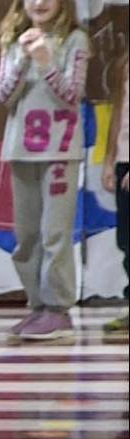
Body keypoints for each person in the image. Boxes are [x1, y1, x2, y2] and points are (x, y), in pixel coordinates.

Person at [0, 0, 88, 342]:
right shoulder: (12, 40)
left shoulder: (75, 40)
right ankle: (38, 306)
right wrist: (22, 58)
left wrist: (47, 62)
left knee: (54, 233)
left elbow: (71, 95)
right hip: (21, 149)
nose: (40, 3)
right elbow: (4, 95)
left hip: (60, 150)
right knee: (27, 234)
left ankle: (58, 309)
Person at [105, 54, 129, 342]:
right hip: (125, 159)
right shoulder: (124, 61)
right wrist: (110, 158)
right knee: (126, 238)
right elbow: (118, 111)